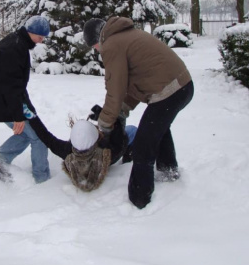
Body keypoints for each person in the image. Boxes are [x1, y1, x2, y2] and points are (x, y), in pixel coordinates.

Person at [83, 16, 194, 209]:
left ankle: (139, 199)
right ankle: (169, 172)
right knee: (158, 129)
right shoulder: (125, 36)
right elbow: (132, 83)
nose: (97, 51)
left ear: (96, 40)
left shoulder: (111, 45)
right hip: (182, 86)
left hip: (170, 91)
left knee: (144, 144)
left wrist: (105, 124)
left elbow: (115, 89)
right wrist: (121, 111)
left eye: (94, 47)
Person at [0, 16, 51, 184]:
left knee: (26, 134)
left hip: (9, 103)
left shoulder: (17, 43)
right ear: (30, 32)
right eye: (40, 37)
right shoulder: (13, 49)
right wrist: (18, 116)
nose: (41, 41)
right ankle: (43, 180)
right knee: (38, 137)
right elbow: (10, 86)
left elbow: (16, 85)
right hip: (6, 105)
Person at [28, 105, 137, 192]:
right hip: (113, 150)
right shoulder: (107, 152)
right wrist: (105, 117)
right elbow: (120, 139)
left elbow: (47, 138)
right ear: (96, 137)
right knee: (132, 130)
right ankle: (129, 158)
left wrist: (31, 117)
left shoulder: (68, 152)